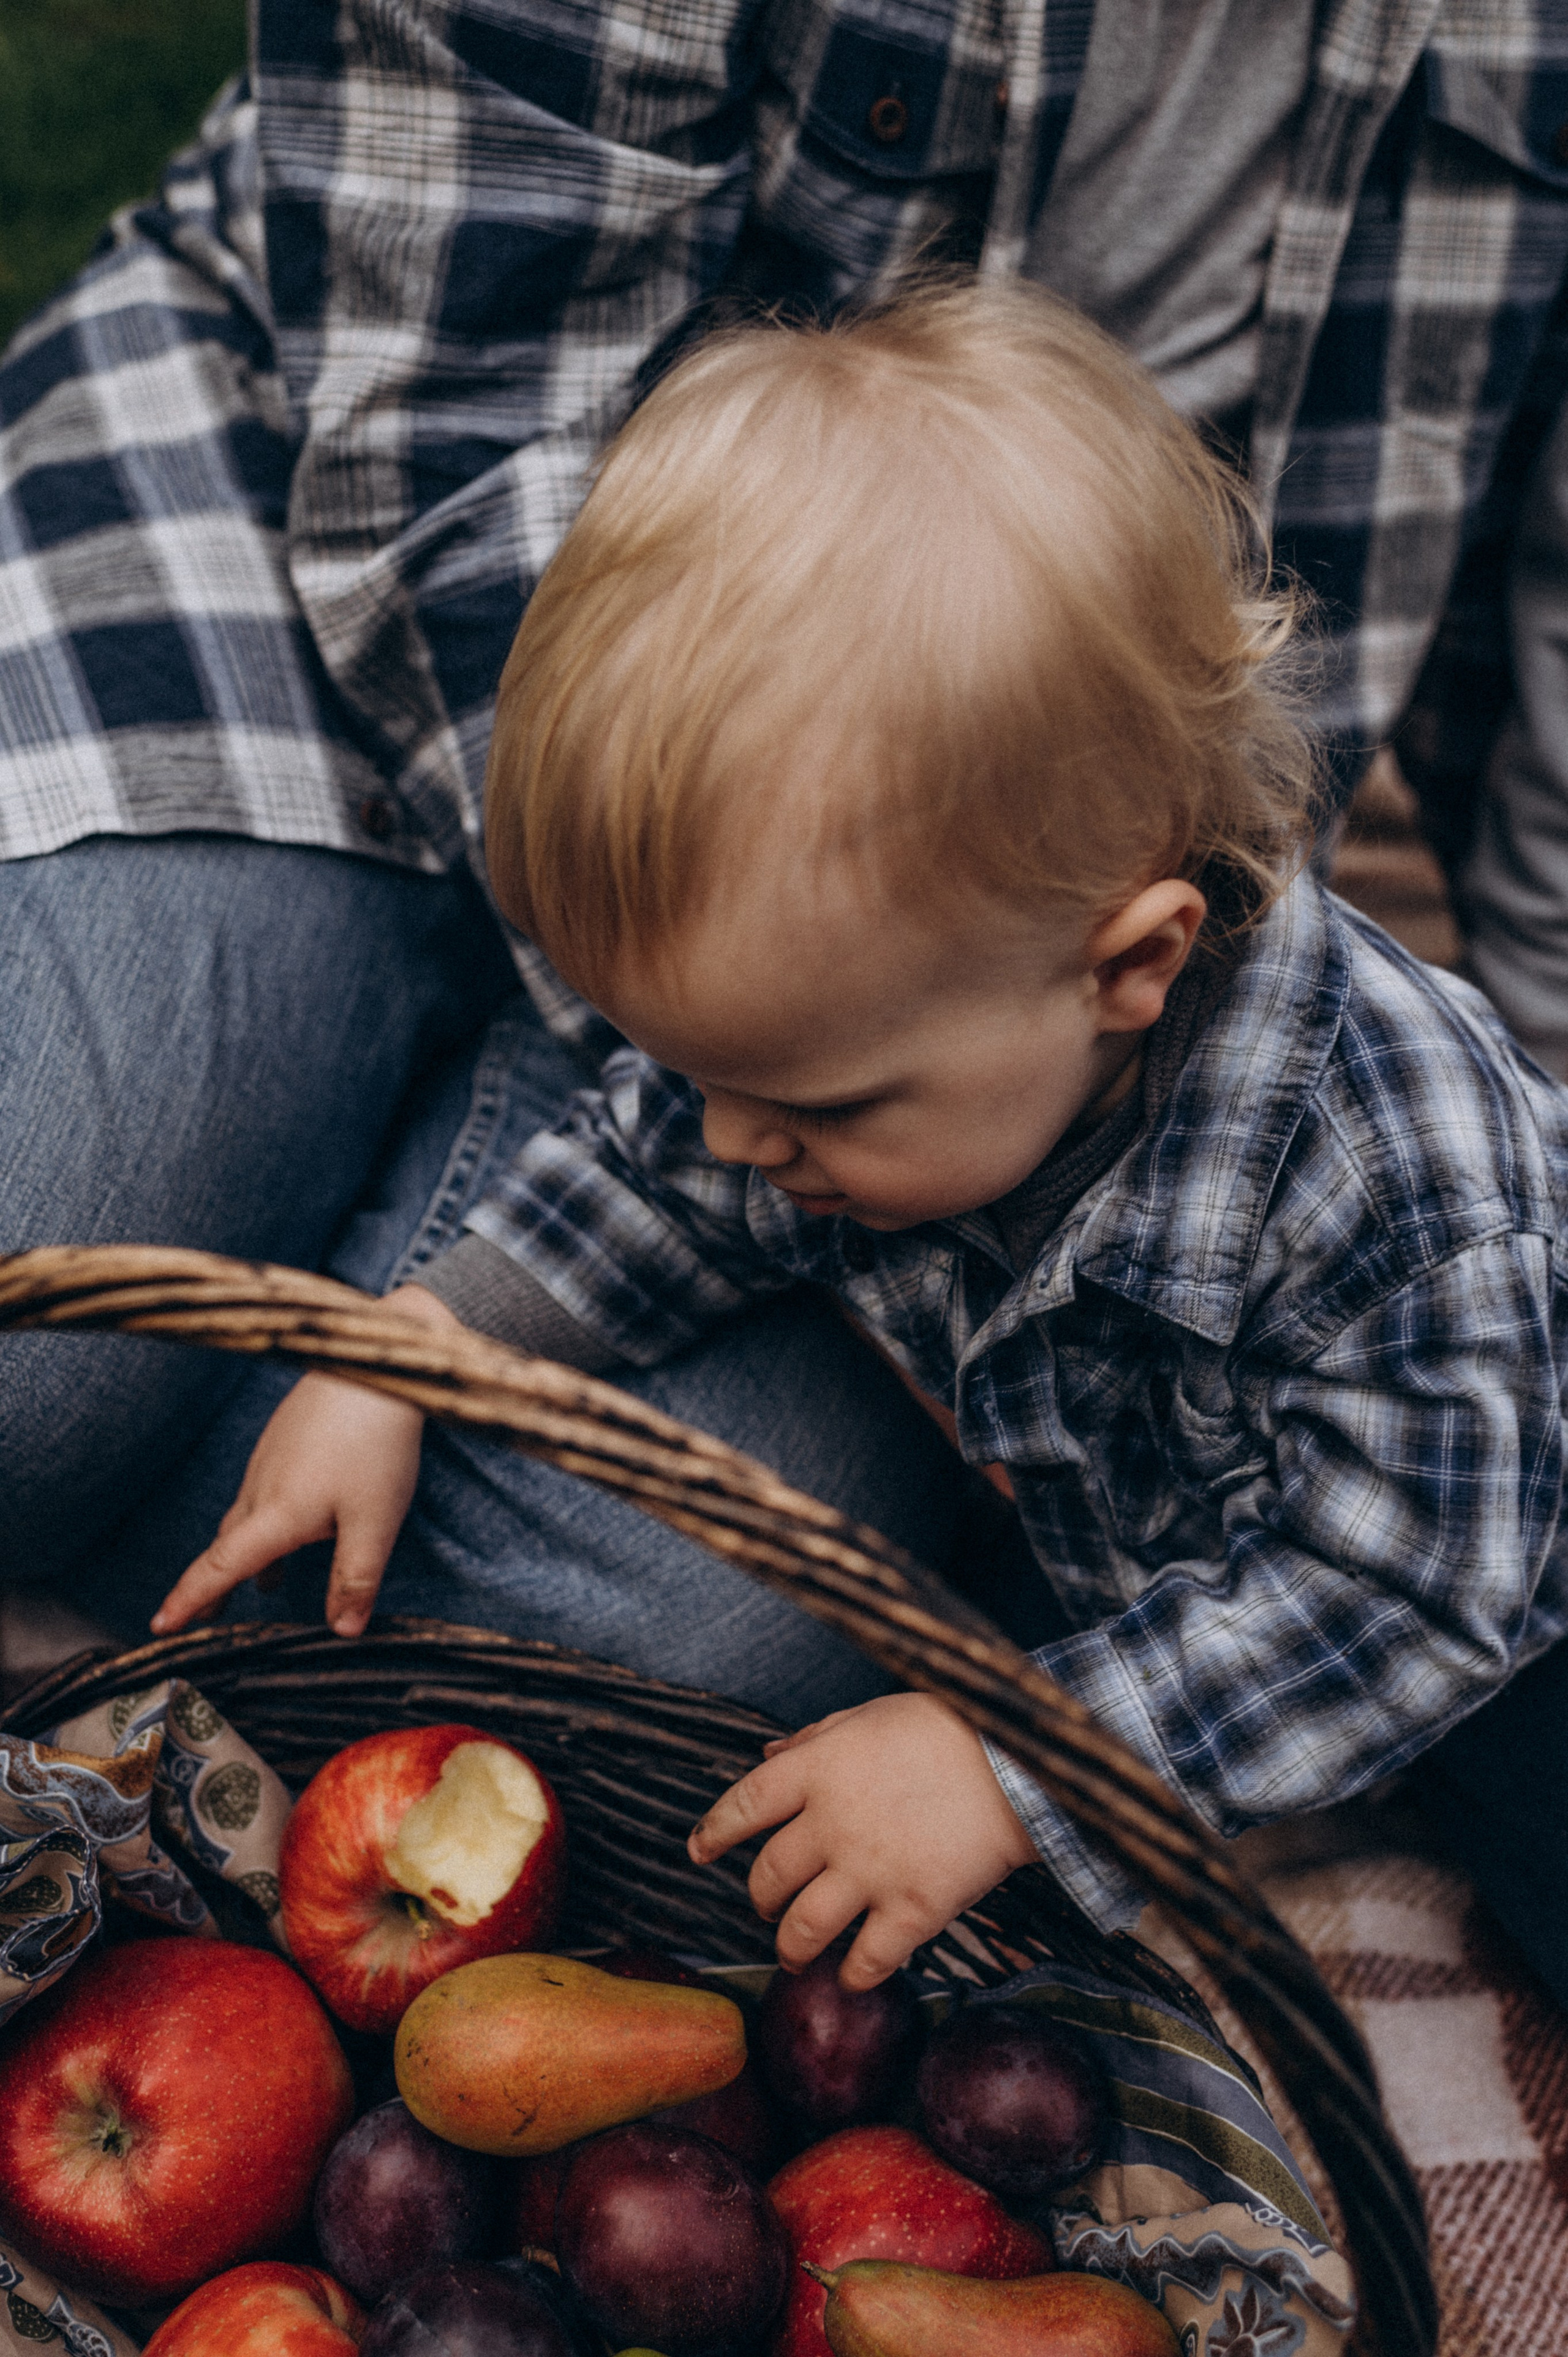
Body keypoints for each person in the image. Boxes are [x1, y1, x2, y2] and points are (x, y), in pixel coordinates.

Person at [4, 1, 1568, 1982]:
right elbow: (666, 1172)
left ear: (1136, 966)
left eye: (808, 1108)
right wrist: (417, 1350)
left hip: (1514, 1566)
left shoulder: (1395, 1179)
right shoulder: (933, 1034)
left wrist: (1026, 1759)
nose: (747, 1151)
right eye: (716, 1077)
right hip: (293, 587)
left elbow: (1422, 1578)